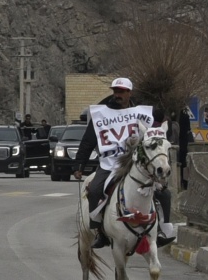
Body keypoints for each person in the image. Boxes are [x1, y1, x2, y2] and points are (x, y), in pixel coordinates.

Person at [73, 77, 175, 250]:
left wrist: (166, 125)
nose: (117, 95)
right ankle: (99, 231)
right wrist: (79, 165)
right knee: (95, 190)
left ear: (129, 93)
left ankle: (162, 230)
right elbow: (87, 141)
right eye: (115, 91)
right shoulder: (101, 114)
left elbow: (160, 125)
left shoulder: (141, 112)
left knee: (164, 194)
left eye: (121, 91)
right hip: (109, 163)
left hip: (136, 163)